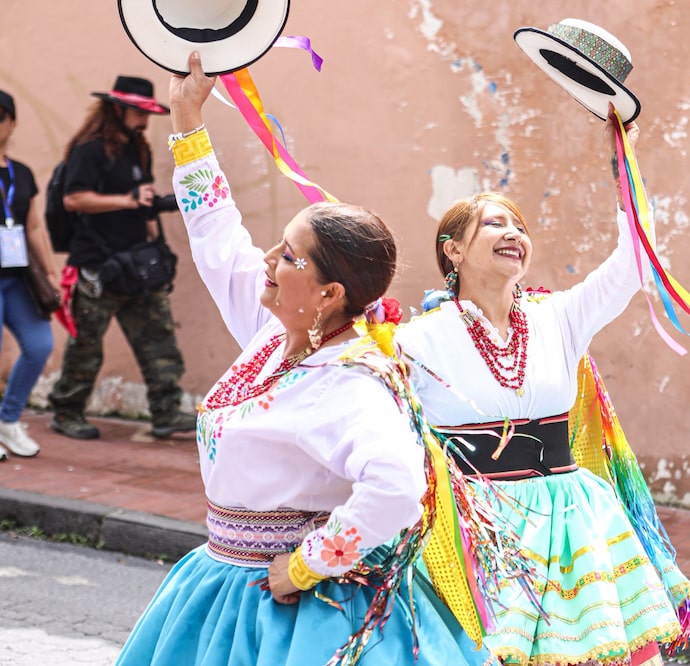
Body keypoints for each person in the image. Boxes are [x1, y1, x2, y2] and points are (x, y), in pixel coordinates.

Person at [116, 51, 496, 666]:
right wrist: (187, 119)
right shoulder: (273, 334)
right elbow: (215, 234)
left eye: (290, 256)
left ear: (329, 293)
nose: (269, 260)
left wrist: (305, 565)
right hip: (223, 582)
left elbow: (398, 487)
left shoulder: (349, 380)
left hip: (296, 612)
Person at [395, 106, 690, 665]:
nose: (513, 233)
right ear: (453, 250)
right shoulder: (416, 340)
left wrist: (625, 171)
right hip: (477, 529)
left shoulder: (558, 317)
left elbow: (634, 262)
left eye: (520, 227)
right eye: (494, 224)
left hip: (573, 522)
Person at [47, 75, 195, 440]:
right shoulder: (90, 149)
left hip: (137, 264)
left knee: (159, 339)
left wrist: (157, 244)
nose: (144, 120)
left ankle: (166, 411)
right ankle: (66, 411)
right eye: (138, 112)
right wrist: (127, 201)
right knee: (86, 346)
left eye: (147, 113)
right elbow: (74, 199)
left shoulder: (137, 148)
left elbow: (142, 201)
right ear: (117, 110)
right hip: (97, 265)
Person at [0, 90, 58, 460]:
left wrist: (49, 271)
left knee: (39, 346)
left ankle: (8, 420)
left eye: (0, 116)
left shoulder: (20, 173)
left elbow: (33, 226)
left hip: (18, 278)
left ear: (13, 123)